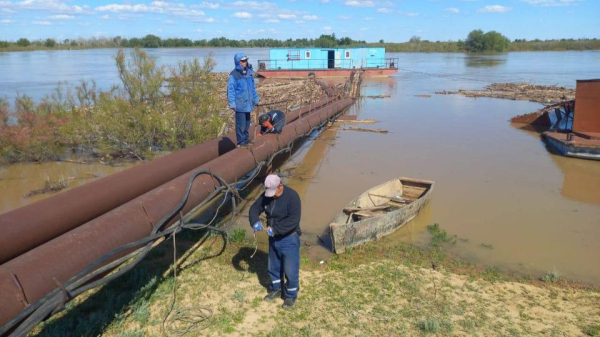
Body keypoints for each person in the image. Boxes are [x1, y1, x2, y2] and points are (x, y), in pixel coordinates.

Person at [249, 174, 302, 309]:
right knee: (274, 266)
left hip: (289, 238)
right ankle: (276, 289)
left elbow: (293, 220)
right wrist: (254, 221)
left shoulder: (292, 197)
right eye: (269, 192)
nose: (272, 196)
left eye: (274, 192)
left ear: (280, 186)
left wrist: (276, 230)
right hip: (274, 239)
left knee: (290, 270)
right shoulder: (267, 196)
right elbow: (254, 208)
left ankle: (290, 295)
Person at [227, 52, 259, 147]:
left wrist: (256, 99)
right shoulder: (234, 75)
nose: (245, 62)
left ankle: (246, 139)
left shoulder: (249, 73)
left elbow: (253, 88)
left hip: (248, 104)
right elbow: (231, 90)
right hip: (240, 104)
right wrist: (232, 103)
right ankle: (241, 142)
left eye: (246, 60)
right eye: (243, 61)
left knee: (247, 124)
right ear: (238, 62)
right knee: (240, 125)